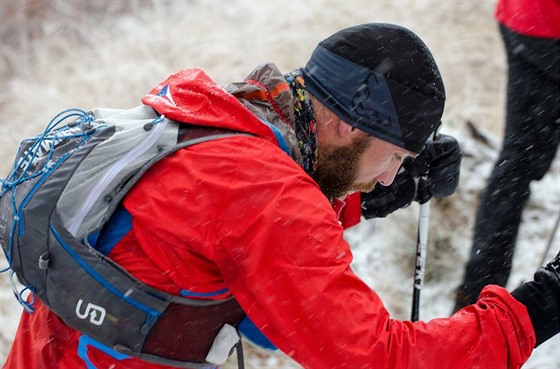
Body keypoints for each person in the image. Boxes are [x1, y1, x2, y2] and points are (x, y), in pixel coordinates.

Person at [3, 23, 559, 369]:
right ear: (346, 124)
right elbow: (378, 358)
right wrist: (534, 312)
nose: (393, 177)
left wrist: (366, 201)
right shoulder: (267, 198)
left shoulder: (228, 119)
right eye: (393, 157)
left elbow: (234, 231)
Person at [454, 0, 560, 312]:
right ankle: (479, 304)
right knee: (517, 163)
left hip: (528, 21)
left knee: (516, 163)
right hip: (541, 26)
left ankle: (476, 299)